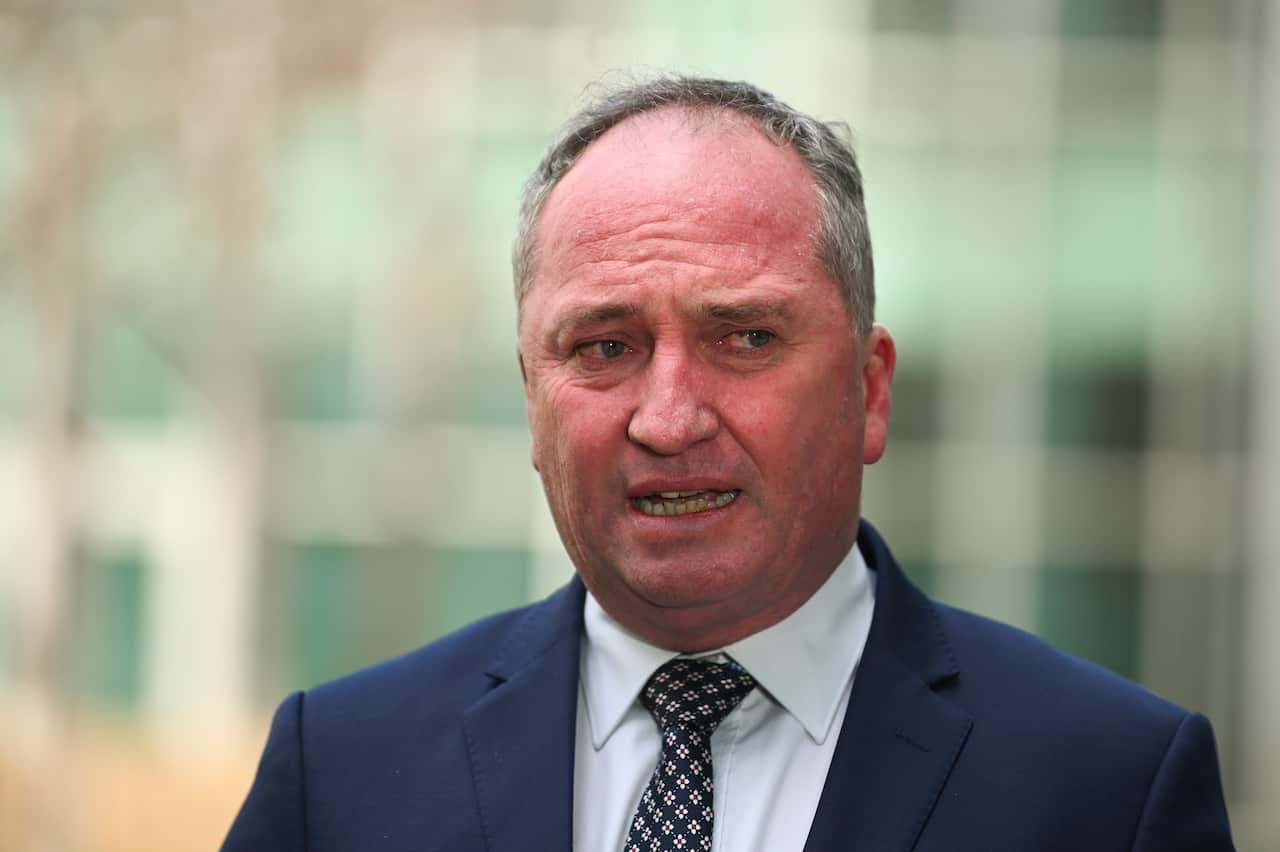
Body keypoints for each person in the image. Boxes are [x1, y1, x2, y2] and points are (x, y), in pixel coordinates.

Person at [223, 76, 1234, 851]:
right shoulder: (340, 774)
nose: (668, 420)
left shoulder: (1110, 789)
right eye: (604, 346)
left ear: (870, 390)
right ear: (532, 399)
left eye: (745, 337)